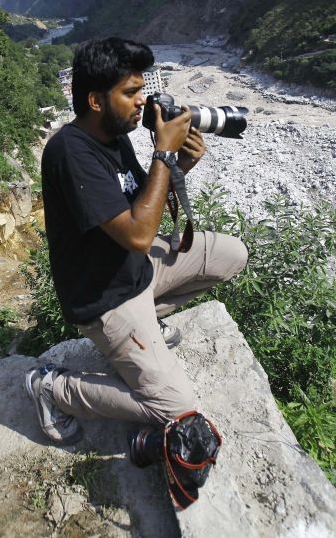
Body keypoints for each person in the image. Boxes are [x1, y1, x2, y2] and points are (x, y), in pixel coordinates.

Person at [26, 37, 248, 444]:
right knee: (175, 409)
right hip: (105, 297)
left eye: (142, 90)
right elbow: (140, 233)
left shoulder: (115, 134)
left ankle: (148, 319)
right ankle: (53, 388)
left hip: (135, 272)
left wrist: (179, 163)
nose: (142, 102)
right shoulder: (70, 152)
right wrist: (163, 152)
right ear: (95, 100)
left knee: (232, 255)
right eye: (131, 93)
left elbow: (141, 199)